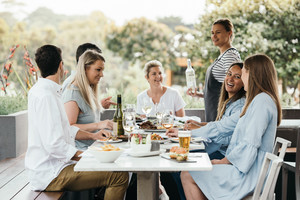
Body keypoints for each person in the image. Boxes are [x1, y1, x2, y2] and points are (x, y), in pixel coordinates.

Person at [25, 45, 128, 199]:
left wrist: (93, 137)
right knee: (119, 176)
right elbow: (54, 145)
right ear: (61, 66)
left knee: (113, 168)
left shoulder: (44, 91)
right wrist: (87, 155)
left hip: (54, 167)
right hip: (51, 174)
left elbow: (66, 129)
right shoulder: (47, 96)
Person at [181, 54, 282, 200]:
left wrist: (223, 161)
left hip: (248, 176)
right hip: (246, 169)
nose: (243, 76)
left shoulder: (262, 102)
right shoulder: (258, 100)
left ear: (252, 75)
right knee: (192, 171)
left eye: (244, 73)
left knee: (187, 174)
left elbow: (250, 143)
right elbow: (227, 129)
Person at [167, 62, 246, 159]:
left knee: (175, 160)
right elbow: (220, 125)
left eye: (237, 77)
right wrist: (199, 124)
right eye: (229, 74)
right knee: (173, 153)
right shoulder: (230, 102)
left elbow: (227, 137)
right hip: (215, 149)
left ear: (244, 82)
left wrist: (195, 129)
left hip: (223, 155)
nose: (230, 79)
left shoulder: (240, 106)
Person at [188, 18, 241, 122]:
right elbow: (220, 90)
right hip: (214, 115)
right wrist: (199, 94)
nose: (214, 36)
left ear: (229, 33)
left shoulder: (230, 55)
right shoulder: (222, 56)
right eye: (212, 33)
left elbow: (235, 87)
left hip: (221, 118)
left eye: (218, 32)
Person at [63, 50, 113, 150]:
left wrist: (107, 125)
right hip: (81, 152)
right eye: (98, 70)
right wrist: (99, 125)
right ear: (85, 69)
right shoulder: (73, 94)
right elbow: (69, 128)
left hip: (94, 147)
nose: (102, 74)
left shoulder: (88, 90)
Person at [62, 43, 116, 109]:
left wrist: (99, 105)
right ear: (82, 60)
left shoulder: (86, 85)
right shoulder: (71, 87)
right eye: (93, 56)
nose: (102, 75)